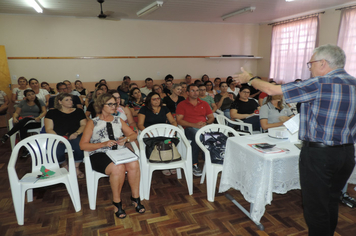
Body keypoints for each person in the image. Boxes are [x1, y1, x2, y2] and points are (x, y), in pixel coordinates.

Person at [235, 44, 356, 236]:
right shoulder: (353, 83)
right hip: (347, 153)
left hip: (320, 155)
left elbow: (271, 90)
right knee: (331, 200)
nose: (310, 68)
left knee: (316, 207)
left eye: (311, 63)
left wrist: (249, 78)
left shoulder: (320, 83)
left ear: (323, 63)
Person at [79, 93, 144, 219]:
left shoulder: (118, 120)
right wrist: (102, 144)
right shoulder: (93, 122)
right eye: (110, 104)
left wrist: (125, 139)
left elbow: (134, 135)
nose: (114, 106)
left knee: (134, 164)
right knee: (117, 168)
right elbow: (83, 145)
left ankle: (135, 197)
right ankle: (117, 202)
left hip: (118, 152)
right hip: (99, 154)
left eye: (115, 104)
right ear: (101, 105)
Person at [45, 93, 87, 178]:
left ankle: (76, 167)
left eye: (71, 100)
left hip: (75, 135)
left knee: (79, 147)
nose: (70, 102)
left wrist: (77, 133)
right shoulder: (52, 113)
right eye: (67, 100)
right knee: (57, 152)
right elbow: (49, 129)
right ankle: (65, 166)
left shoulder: (78, 111)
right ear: (60, 102)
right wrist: (58, 137)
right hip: (58, 136)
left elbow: (84, 125)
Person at [176, 84, 214, 177]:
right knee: (198, 136)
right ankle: (194, 164)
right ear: (187, 93)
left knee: (218, 136)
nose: (196, 92)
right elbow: (179, 120)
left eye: (197, 90)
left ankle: (211, 160)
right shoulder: (182, 104)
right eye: (193, 90)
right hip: (189, 128)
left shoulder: (204, 103)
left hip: (204, 127)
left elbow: (211, 117)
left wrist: (206, 123)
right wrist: (194, 125)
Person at [138, 92, 177, 176]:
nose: (157, 101)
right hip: (150, 133)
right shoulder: (144, 109)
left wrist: (173, 129)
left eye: (158, 98)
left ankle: (170, 159)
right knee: (158, 141)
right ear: (149, 100)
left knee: (170, 139)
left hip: (164, 132)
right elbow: (140, 124)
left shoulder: (164, 108)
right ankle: (161, 162)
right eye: (154, 99)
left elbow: (173, 121)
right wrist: (147, 132)